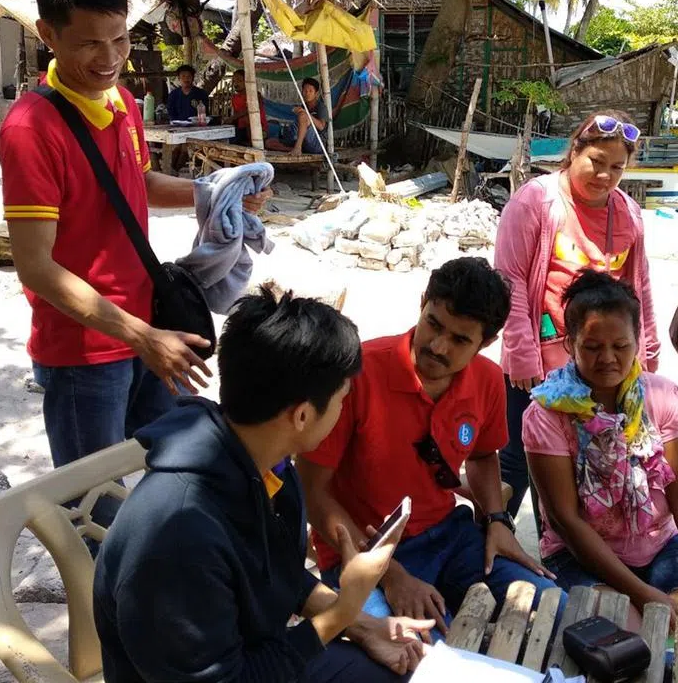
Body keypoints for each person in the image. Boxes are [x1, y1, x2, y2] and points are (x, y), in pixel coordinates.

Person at [0, 0, 271, 511]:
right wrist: (140, 336)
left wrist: (213, 193)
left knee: (175, 478)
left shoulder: (122, 104)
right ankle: (99, 598)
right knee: (95, 508)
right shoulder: (30, 131)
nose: (110, 59)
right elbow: (36, 267)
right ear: (47, 35)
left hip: (149, 332)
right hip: (85, 352)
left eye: (119, 39)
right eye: (89, 44)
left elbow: (134, 184)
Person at [93, 288, 433, 682]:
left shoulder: (267, 467)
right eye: (342, 399)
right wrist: (342, 612)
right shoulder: (179, 537)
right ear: (303, 415)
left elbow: (275, 572)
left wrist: (359, 624)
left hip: (260, 653)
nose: (343, 410)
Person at [298, 258, 559, 635]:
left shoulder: (486, 380)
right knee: (417, 659)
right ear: (423, 303)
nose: (437, 347)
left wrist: (498, 519)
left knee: (554, 607)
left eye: (459, 340)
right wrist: (389, 574)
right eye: (433, 324)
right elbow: (312, 492)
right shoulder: (359, 373)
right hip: (359, 552)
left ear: (486, 343)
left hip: (450, 536)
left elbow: (484, 455)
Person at [524, 270, 678, 618]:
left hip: (658, 544)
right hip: (579, 554)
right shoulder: (546, 415)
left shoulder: (663, 397)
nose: (608, 359)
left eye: (620, 346)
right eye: (592, 347)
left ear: (638, 339)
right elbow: (567, 522)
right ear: (569, 343)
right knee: (627, 630)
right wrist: (641, 594)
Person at [495, 110, 660, 523]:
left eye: (617, 167)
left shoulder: (629, 214)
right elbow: (510, 278)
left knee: (589, 460)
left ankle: (563, 549)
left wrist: (646, 349)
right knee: (519, 457)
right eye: (596, 162)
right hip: (538, 364)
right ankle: (492, 539)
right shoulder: (536, 200)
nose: (605, 175)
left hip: (600, 364)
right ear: (574, 153)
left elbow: (638, 288)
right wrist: (520, 352)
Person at [228, 69, 286, 150]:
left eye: (239, 80)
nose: (236, 83)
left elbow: (251, 109)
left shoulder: (255, 95)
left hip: (259, 129)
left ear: (247, 82)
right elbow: (235, 117)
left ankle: (253, 147)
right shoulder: (234, 98)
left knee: (248, 119)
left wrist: (233, 117)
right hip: (242, 129)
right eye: (234, 81)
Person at [292, 77, 329, 155]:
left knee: (303, 116)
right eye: (305, 91)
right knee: (270, 142)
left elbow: (321, 126)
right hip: (305, 143)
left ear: (316, 93)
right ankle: (295, 147)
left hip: (317, 145)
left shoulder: (321, 107)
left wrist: (306, 114)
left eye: (310, 91)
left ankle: (297, 148)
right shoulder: (303, 106)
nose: (307, 93)